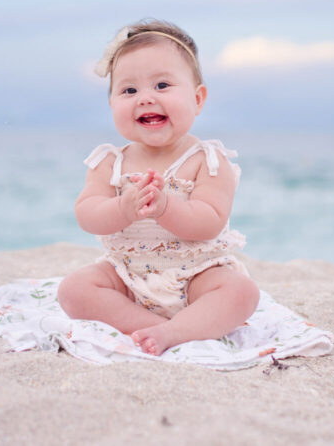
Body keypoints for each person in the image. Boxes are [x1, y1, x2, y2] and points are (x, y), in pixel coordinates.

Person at [57, 19, 260, 356]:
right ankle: (149, 327)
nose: (145, 98)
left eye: (162, 85)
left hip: (196, 277)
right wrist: (123, 209)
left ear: (198, 99)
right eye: (129, 90)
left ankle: (175, 330)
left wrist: (166, 207)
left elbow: (209, 221)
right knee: (73, 290)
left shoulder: (207, 159)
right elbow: (87, 214)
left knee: (241, 292)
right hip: (128, 276)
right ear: (111, 104)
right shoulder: (110, 162)